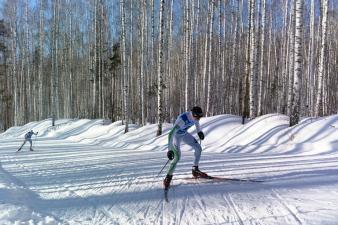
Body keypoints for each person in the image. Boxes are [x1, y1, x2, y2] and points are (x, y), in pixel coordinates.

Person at [163, 106, 206, 190]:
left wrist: (199, 132)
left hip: (184, 134)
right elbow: (171, 134)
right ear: (193, 114)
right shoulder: (182, 120)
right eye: (197, 117)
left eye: (200, 117)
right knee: (177, 157)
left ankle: (195, 169)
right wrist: (169, 150)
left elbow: (196, 123)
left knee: (198, 148)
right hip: (176, 137)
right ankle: (168, 177)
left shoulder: (195, 118)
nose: (198, 119)